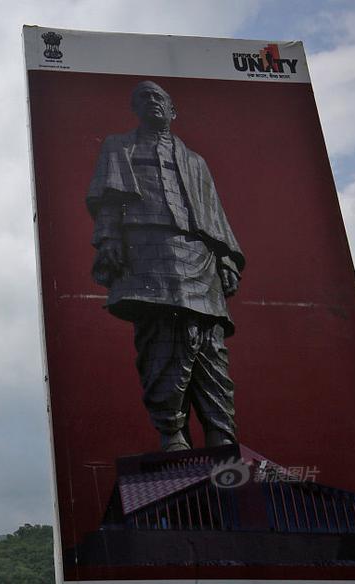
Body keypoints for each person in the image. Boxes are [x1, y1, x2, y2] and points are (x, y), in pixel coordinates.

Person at [86, 81, 246, 452]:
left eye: (159, 97)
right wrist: (109, 241)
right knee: (162, 339)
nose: (152, 101)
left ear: (172, 110)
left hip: (199, 256)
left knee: (209, 343)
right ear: (135, 108)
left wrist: (225, 259)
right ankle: (172, 432)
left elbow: (214, 215)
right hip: (147, 252)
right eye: (143, 97)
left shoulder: (195, 162)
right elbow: (108, 202)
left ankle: (221, 433)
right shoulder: (120, 147)